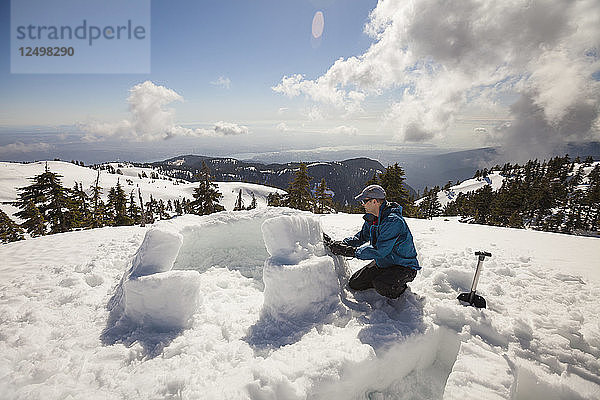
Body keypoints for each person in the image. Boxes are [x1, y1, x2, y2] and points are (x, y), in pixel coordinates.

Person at [324, 184, 420, 299]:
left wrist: (351, 252)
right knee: (355, 283)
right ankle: (383, 279)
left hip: (403, 266)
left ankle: (398, 288)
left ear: (374, 201)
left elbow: (379, 251)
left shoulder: (393, 221)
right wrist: (341, 244)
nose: (362, 204)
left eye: (364, 201)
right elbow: (361, 237)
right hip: (385, 262)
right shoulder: (372, 218)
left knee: (381, 284)